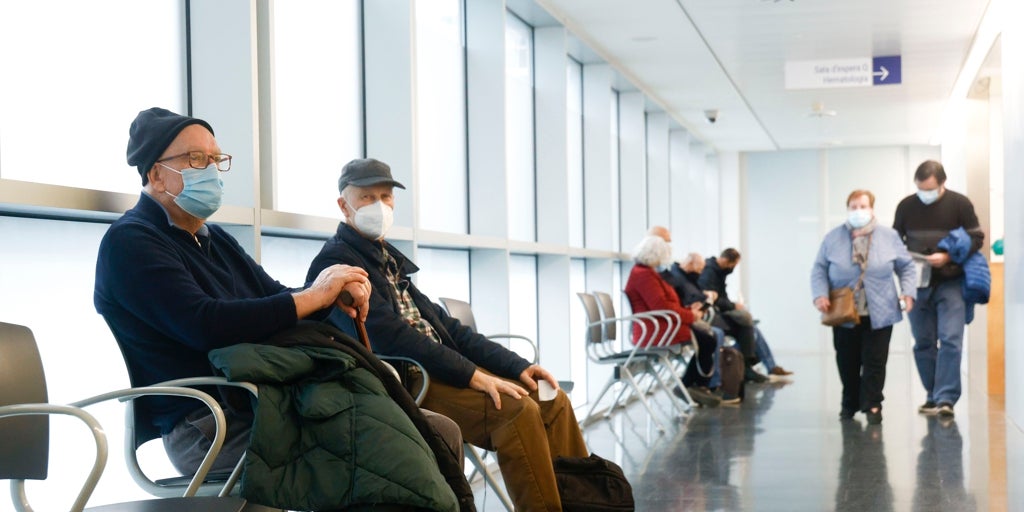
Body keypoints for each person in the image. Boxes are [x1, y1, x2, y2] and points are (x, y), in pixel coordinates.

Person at [94, 109, 467, 511]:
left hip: (264, 402)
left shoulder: (213, 239)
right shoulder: (131, 243)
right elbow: (206, 324)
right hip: (209, 423)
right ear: (155, 175)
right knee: (388, 456)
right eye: (196, 159)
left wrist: (330, 294)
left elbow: (273, 295)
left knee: (435, 432)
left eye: (216, 160)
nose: (212, 171)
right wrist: (315, 294)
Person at [305, 158, 589, 512]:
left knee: (550, 397)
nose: (379, 205)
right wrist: (473, 375)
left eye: (386, 196)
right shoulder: (337, 262)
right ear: (343, 205)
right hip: (405, 381)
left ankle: (588, 503)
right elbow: (390, 338)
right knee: (516, 410)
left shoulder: (387, 259)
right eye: (366, 197)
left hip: (436, 370)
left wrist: (518, 367)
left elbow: (451, 330)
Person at [811, 189, 916, 424]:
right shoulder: (833, 238)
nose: (858, 211)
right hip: (844, 310)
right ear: (847, 209)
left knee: (875, 361)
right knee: (847, 360)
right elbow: (819, 269)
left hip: (881, 309)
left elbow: (906, 266)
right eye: (853, 207)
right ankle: (849, 401)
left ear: (872, 209)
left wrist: (908, 292)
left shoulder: (889, 236)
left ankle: (873, 404)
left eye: (862, 206)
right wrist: (819, 295)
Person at [893, 160, 984, 418]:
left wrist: (948, 257)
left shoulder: (960, 204)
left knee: (951, 339)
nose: (925, 194)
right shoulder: (906, 206)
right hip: (917, 283)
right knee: (923, 342)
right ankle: (932, 395)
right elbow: (894, 240)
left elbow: (976, 238)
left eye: (930, 189)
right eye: (920, 189)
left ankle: (946, 399)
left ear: (942, 183)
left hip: (951, 281)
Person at [622, 230, 721, 407]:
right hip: (658, 330)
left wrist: (688, 311)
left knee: (707, 338)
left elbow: (664, 305)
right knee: (707, 339)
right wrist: (691, 315)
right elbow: (662, 307)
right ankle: (691, 385)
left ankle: (692, 385)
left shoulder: (645, 273)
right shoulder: (644, 275)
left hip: (661, 326)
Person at [697, 248, 794, 380]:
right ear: (726, 260)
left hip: (720, 311)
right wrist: (733, 306)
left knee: (752, 328)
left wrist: (733, 306)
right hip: (713, 315)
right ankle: (748, 366)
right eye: (733, 265)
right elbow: (711, 299)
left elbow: (719, 297)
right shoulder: (710, 273)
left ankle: (766, 366)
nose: (733, 268)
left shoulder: (718, 272)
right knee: (748, 327)